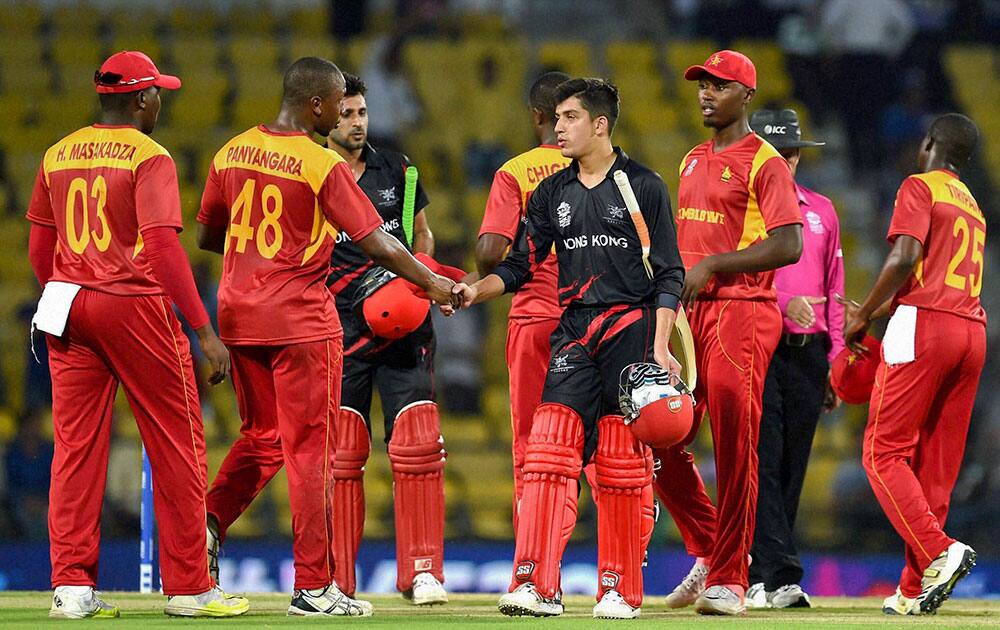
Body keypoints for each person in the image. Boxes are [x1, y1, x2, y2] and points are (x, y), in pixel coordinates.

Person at [197, 57, 457, 618]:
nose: (345, 112)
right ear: (317, 104)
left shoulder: (230, 151)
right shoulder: (320, 165)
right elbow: (379, 244)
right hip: (299, 322)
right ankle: (314, 586)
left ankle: (207, 523)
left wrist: (258, 263)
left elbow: (209, 234)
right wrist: (433, 282)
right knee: (310, 451)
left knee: (262, 437)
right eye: (340, 103)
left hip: (239, 316)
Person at [25, 51, 247, 618]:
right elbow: (164, 246)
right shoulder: (150, 155)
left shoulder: (56, 153)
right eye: (158, 94)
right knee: (176, 442)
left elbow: (37, 248)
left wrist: (70, 286)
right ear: (142, 99)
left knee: (75, 449)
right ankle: (190, 588)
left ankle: (71, 588)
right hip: (134, 305)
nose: (161, 103)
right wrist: (204, 331)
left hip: (68, 302)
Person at [454, 78, 685, 620]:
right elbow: (517, 266)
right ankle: (537, 584)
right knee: (547, 454)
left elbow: (670, 273)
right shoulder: (551, 193)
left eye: (570, 117)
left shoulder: (643, 186)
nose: (558, 127)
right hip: (574, 334)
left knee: (622, 464)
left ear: (600, 124)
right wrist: (473, 292)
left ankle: (619, 590)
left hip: (631, 332)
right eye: (556, 117)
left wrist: (661, 347)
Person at [654, 50, 803, 616]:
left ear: (746, 95)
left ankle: (731, 581)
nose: (705, 93)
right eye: (701, 84)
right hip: (689, 313)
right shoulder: (692, 159)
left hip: (742, 309)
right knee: (656, 429)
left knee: (737, 444)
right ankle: (709, 548)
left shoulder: (764, 161)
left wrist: (716, 266)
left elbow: (789, 243)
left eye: (718, 85)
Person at [843, 113, 984, 616]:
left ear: (928, 144)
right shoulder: (972, 205)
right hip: (971, 330)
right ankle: (912, 587)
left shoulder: (919, 186)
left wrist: (861, 312)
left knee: (883, 455)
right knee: (937, 468)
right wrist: (875, 309)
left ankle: (940, 551)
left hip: (923, 325)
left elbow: (905, 258)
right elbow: (934, 275)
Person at [324, 72, 448, 605]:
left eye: (362, 113)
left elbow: (421, 233)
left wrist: (418, 273)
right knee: (342, 455)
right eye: (347, 114)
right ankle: (335, 580)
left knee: (419, 444)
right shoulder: (311, 172)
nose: (357, 123)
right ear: (326, 115)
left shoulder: (399, 167)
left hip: (402, 324)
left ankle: (422, 572)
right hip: (337, 327)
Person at [473, 70, 592, 533]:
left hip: (535, 319)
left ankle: (532, 561)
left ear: (536, 116)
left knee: (531, 445)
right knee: (601, 441)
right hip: (594, 321)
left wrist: (490, 274)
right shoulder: (600, 169)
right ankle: (621, 562)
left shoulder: (516, 172)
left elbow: (488, 251)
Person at [744, 108, 845, 609]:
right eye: (774, 155)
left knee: (791, 466)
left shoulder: (822, 210)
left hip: (809, 355)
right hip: (758, 347)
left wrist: (837, 357)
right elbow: (730, 279)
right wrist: (785, 306)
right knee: (762, 460)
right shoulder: (744, 211)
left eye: (789, 153)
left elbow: (835, 287)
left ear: (799, 155)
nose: (784, 163)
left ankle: (760, 570)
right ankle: (779, 574)